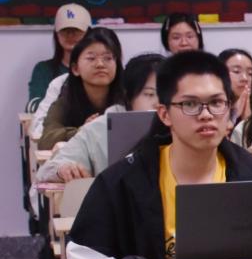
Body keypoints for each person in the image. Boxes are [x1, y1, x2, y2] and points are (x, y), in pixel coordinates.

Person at [65, 51, 252, 259]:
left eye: (217, 102)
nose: (206, 114)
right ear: (164, 114)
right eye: (190, 104)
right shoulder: (121, 182)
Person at [37, 54, 163, 183]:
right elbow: (47, 170)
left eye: (165, 94)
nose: (159, 102)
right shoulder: (100, 128)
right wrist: (63, 169)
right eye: (149, 94)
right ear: (128, 97)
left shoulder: (175, 125)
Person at [39, 27, 125, 150]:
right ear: (75, 69)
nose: (100, 64)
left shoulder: (128, 97)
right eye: (91, 58)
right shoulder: (67, 100)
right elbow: (46, 140)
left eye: (108, 58)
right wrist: (82, 131)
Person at [27, 3, 90, 112]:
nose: (70, 35)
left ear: (88, 33)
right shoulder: (43, 69)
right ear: (56, 34)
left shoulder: (98, 68)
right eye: (65, 30)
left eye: (76, 30)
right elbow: (33, 107)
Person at [219, 48, 252, 124]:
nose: (245, 78)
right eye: (236, 71)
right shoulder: (211, 108)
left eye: (250, 73)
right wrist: (234, 116)